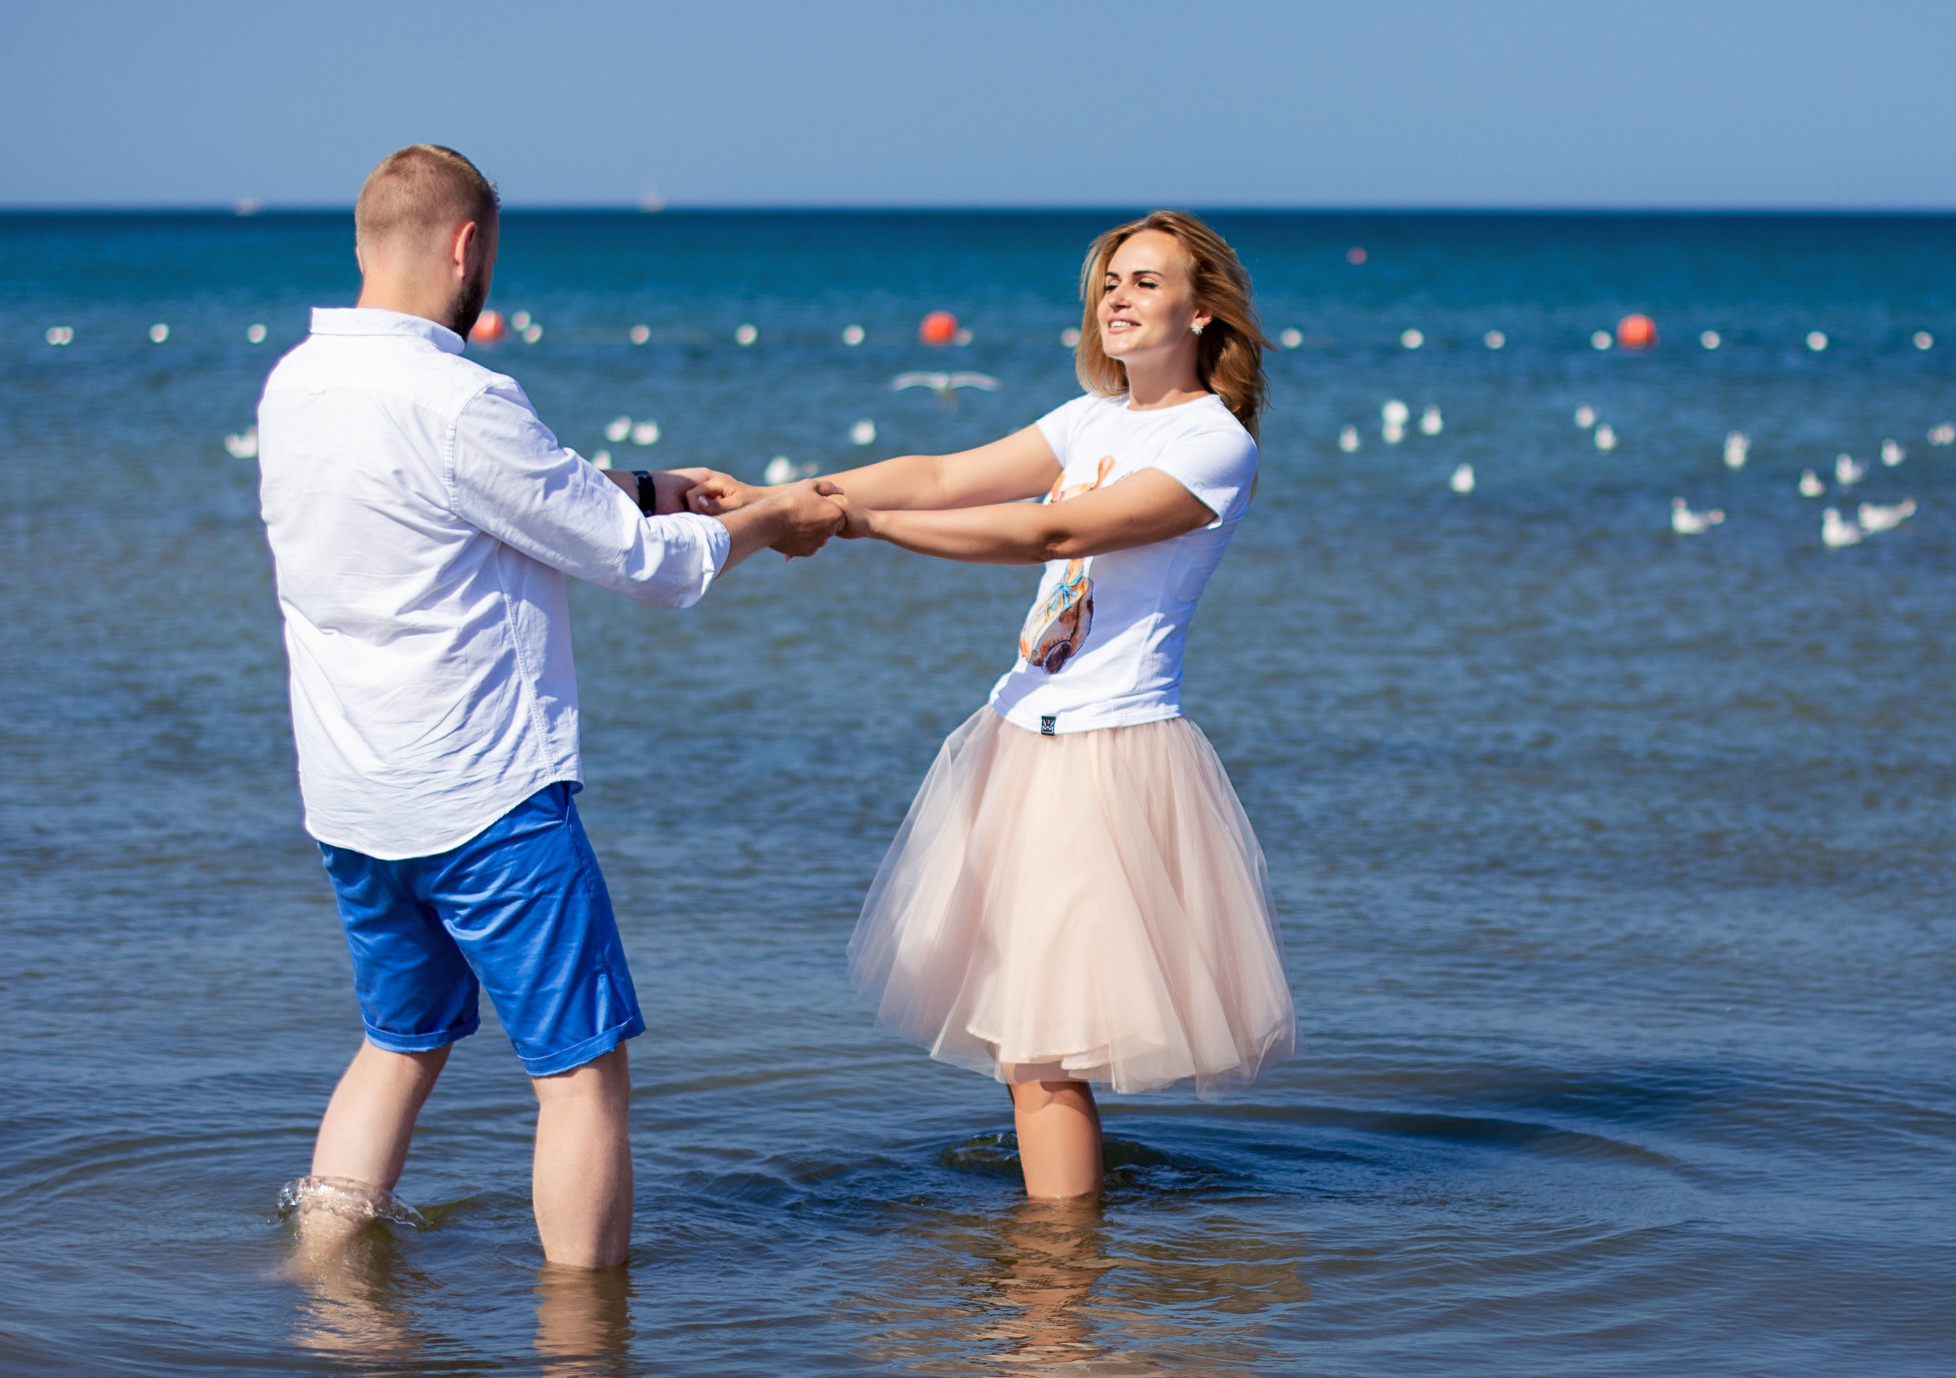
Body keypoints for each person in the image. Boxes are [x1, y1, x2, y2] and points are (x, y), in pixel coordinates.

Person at [259, 144, 843, 1267]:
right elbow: (646, 566)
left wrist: (647, 486)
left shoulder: (296, 384)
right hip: (485, 798)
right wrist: (770, 516)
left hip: (351, 794)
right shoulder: (459, 395)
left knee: (397, 1041)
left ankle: (323, 1298)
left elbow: (508, 501)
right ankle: (585, 1360)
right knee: (580, 1076)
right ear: (468, 246)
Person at [694, 210, 1296, 1199]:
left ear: (1203, 310)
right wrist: (777, 497)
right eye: (1109, 282)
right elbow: (939, 473)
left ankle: (1058, 1298)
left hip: (1110, 760)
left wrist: (861, 525)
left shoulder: (1211, 445)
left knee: (1042, 1050)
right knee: (1029, 1050)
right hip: (1019, 742)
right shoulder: (1089, 418)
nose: (1118, 298)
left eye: (1145, 281)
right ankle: (1058, 1287)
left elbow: (1050, 533)